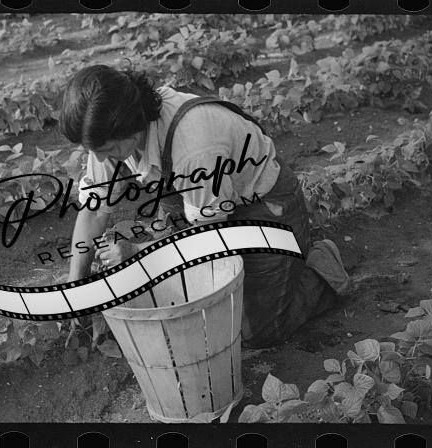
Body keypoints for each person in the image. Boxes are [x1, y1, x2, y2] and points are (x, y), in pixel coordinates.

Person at [59, 65, 348, 348]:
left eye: (107, 150)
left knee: (254, 331)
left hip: (263, 208)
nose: (100, 159)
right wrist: (75, 290)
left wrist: (139, 252)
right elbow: (94, 211)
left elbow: (207, 239)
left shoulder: (194, 146)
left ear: (131, 128)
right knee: (187, 299)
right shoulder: (108, 136)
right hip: (200, 206)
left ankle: (321, 266)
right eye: (94, 150)